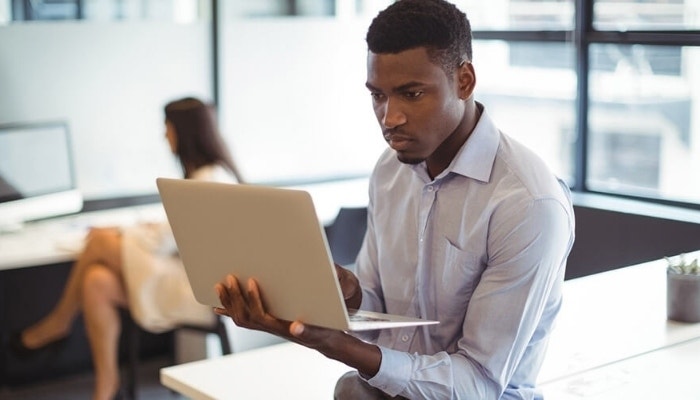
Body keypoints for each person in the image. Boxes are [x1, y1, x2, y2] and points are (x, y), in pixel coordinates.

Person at [214, 0, 575, 398]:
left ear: (465, 81)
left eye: (412, 94)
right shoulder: (389, 172)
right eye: (378, 96)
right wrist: (350, 295)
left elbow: (480, 384)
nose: (389, 118)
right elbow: (379, 307)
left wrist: (345, 348)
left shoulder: (527, 204)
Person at [11, 97, 244, 400]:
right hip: (182, 273)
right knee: (96, 281)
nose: (164, 136)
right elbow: (174, 232)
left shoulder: (210, 179)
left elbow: (161, 240)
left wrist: (119, 232)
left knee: (99, 242)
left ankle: (58, 323)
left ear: (183, 132)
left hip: (199, 294)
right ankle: (106, 388)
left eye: (167, 128)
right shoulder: (205, 175)